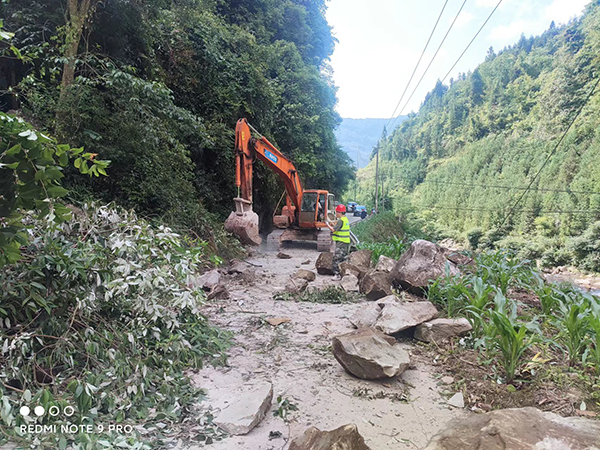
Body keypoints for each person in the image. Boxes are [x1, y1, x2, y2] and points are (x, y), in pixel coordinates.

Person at [326, 204, 350, 278]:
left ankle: (337, 274)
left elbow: (333, 229)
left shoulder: (341, 221)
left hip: (341, 242)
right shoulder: (345, 219)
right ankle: (344, 273)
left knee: (336, 258)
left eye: (336, 212)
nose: (336, 214)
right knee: (343, 258)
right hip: (346, 242)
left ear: (340, 212)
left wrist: (327, 224)